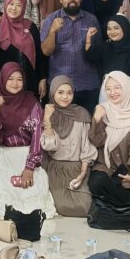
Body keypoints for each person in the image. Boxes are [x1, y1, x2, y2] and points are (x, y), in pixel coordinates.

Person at [0, 63, 57, 218]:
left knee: (36, 207)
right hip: (5, 159)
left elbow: (37, 135)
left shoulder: (31, 102)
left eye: (19, 79)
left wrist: (30, 168)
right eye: (10, 78)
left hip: (28, 156)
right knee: (6, 209)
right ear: (2, 79)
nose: (15, 83)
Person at [88, 72, 130, 207]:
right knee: (96, 183)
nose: (112, 93)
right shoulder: (103, 110)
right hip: (107, 168)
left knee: (128, 194)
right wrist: (96, 119)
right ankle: (120, 206)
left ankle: (118, 205)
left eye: (117, 87)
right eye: (108, 89)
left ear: (127, 88)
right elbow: (97, 141)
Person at [40, 0, 102, 112]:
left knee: (88, 122)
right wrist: (52, 31)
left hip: (88, 84)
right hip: (60, 86)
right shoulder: (51, 19)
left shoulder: (91, 19)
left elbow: (98, 53)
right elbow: (46, 51)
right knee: (61, 123)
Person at [39, 76, 96, 217]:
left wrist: (82, 174)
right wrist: (47, 120)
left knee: (84, 207)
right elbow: (49, 146)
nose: (65, 97)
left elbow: (87, 147)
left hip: (77, 168)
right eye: (60, 92)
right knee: (63, 207)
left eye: (69, 93)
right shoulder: (48, 114)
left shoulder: (81, 114)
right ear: (53, 93)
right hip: (55, 169)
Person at [0, 0, 46, 97]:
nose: (14, 8)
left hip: (29, 79)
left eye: (19, 5)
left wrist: (42, 78)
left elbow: (39, 54)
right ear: (6, 4)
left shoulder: (31, 26)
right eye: (11, 4)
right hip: (6, 82)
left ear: (23, 7)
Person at [84, 15, 130, 84]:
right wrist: (88, 37)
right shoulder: (105, 47)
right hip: (108, 88)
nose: (112, 32)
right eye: (109, 29)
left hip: (127, 89)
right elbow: (90, 56)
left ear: (124, 28)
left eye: (116, 28)